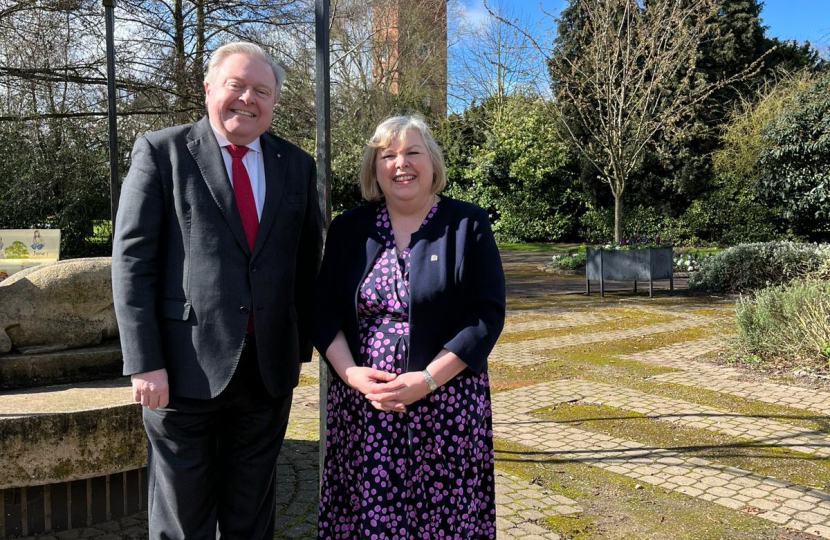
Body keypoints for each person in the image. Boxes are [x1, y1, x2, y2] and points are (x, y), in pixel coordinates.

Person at [111, 42, 322, 540]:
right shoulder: (162, 151)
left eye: (262, 92)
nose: (248, 99)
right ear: (209, 88)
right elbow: (132, 262)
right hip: (180, 372)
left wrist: (306, 351)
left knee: (252, 517)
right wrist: (144, 360)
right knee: (184, 521)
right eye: (237, 85)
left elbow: (306, 265)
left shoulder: (296, 164)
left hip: (267, 373)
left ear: (273, 103)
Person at [312, 114, 506, 539]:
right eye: (388, 155)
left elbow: (485, 316)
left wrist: (427, 380)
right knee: (367, 512)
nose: (401, 163)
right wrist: (351, 375)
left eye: (412, 152)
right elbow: (322, 310)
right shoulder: (349, 228)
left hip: (446, 404)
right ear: (374, 168)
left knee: (444, 518)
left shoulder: (467, 224)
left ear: (432, 162)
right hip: (364, 407)